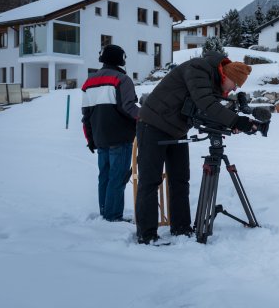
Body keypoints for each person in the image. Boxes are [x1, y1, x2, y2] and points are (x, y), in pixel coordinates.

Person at [135, 51, 258, 244]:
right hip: (153, 124)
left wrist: (233, 124)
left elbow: (207, 112)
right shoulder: (198, 69)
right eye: (235, 85)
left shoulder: (214, 83)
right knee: (150, 181)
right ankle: (147, 235)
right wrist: (235, 120)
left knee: (180, 180)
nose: (234, 90)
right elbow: (205, 103)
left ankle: (181, 228)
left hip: (176, 129)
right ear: (226, 76)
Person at [81, 44, 139, 221]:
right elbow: (129, 108)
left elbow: (86, 115)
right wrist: (146, 118)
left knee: (104, 177)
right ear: (120, 59)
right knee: (117, 178)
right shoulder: (122, 79)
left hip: (100, 138)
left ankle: (105, 212)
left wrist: (90, 139)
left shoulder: (88, 82)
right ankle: (112, 216)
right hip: (120, 138)